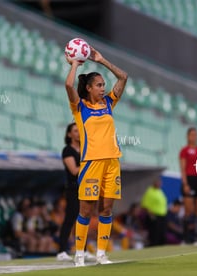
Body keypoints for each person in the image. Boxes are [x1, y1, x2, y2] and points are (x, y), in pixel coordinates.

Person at [64, 45, 128, 266]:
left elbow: (124, 76)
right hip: (91, 163)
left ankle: (101, 254)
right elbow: (68, 85)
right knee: (86, 209)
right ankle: (79, 254)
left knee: (107, 208)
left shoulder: (109, 103)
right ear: (89, 88)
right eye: (99, 85)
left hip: (112, 162)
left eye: (103, 85)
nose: (103, 88)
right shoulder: (80, 108)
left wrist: (102, 60)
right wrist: (74, 64)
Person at [179, 127, 197, 244]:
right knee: (188, 210)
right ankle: (185, 238)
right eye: (191, 134)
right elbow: (183, 168)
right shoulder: (184, 150)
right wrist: (185, 183)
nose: (194, 137)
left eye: (195, 134)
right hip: (190, 180)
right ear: (187, 136)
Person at [56, 123, 80, 262]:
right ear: (69, 134)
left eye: (79, 131)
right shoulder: (68, 151)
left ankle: (81, 249)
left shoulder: (84, 148)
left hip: (85, 188)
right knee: (70, 219)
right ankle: (61, 250)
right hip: (72, 188)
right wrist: (89, 162)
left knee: (83, 219)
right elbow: (74, 170)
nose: (78, 133)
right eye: (75, 131)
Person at [141, 178, 167, 246]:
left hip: (162, 216)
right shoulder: (150, 191)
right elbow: (145, 205)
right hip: (154, 216)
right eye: (158, 182)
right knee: (154, 235)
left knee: (161, 235)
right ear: (154, 183)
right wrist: (151, 216)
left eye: (160, 182)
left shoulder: (160, 191)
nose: (159, 184)